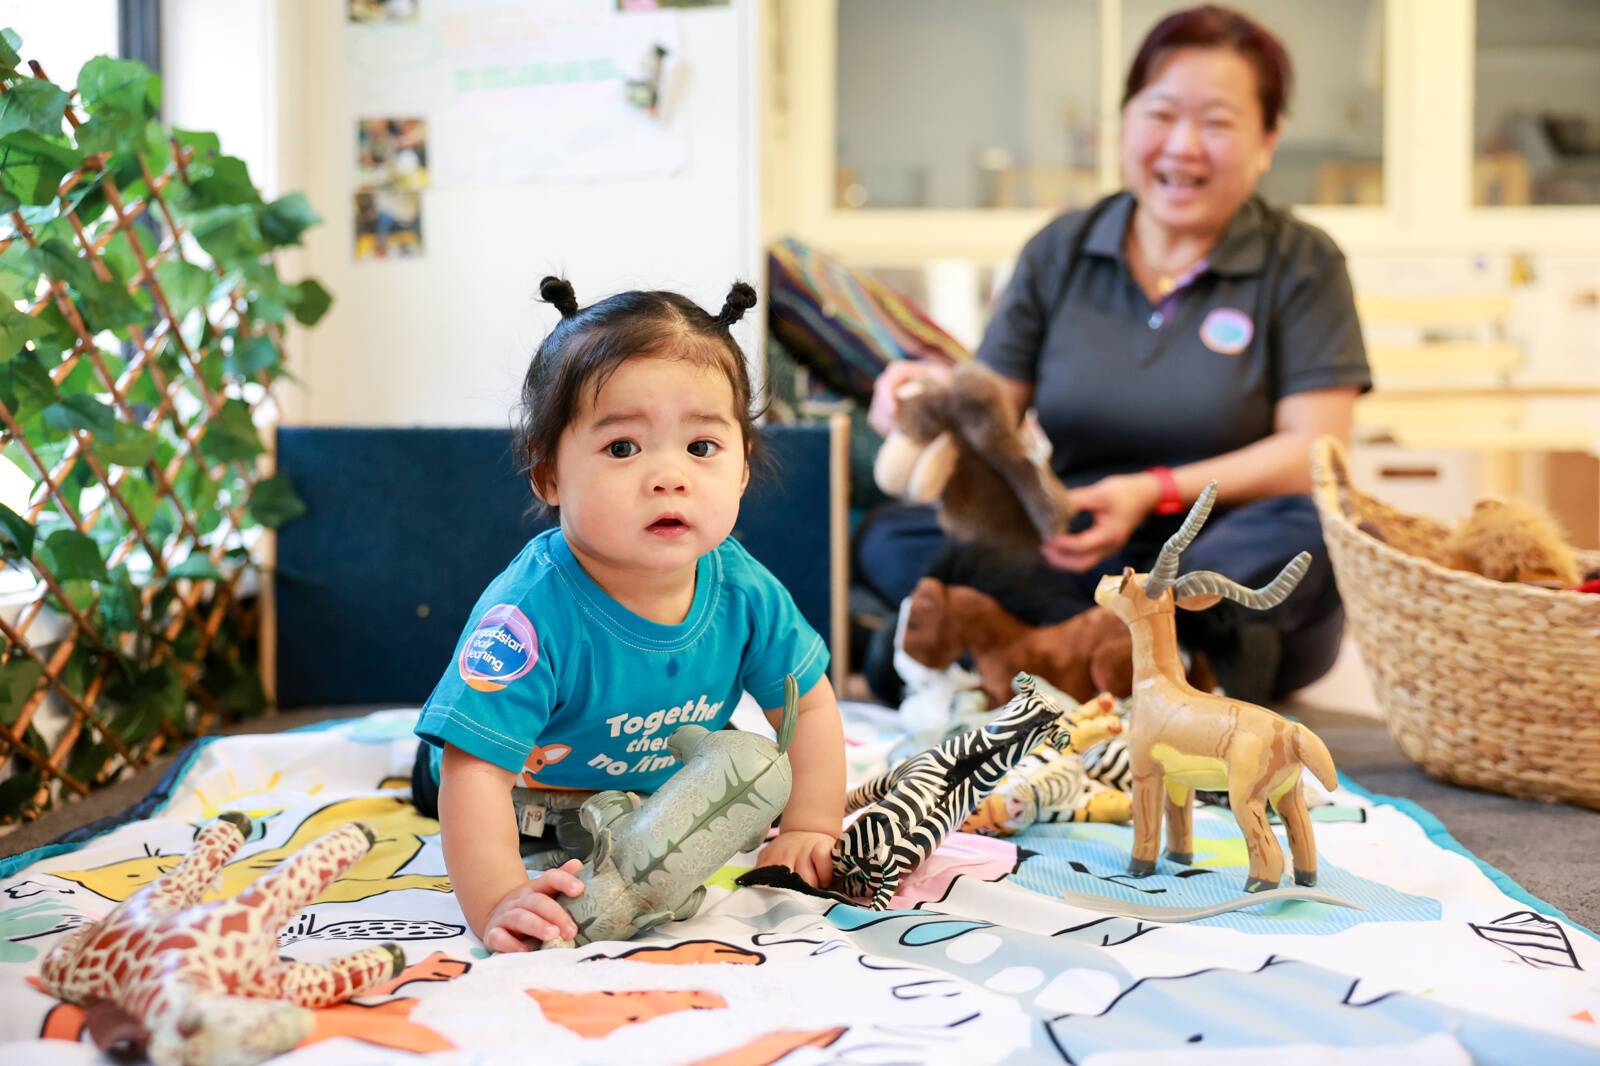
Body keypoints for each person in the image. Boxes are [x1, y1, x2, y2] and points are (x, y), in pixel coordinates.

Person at [858, 4, 1371, 705]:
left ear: (1267, 140)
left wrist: (1153, 492)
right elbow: (990, 412)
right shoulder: (1062, 250)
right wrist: (931, 401)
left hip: (1217, 551)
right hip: (1075, 543)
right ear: (1125, 122)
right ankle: (1145, 659)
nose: (1183, 146)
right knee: (890, 535)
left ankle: (1038, 644)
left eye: (1217, 123)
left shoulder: (1303, 262)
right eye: (1161, 115)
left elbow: (1312, 452)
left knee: (1315, 531)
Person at [412, 277, 846, 952]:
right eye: (622, 448)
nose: (669, 476)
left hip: (648, 799)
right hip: (527, 801)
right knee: (458, 749)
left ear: (741, 468)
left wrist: (809, 826)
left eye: (701, 448)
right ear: (549, 475)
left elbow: (808, 706)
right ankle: (426, 742)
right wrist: (498, 897)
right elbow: (477, 771)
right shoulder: (526, 615)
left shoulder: (743, 590)